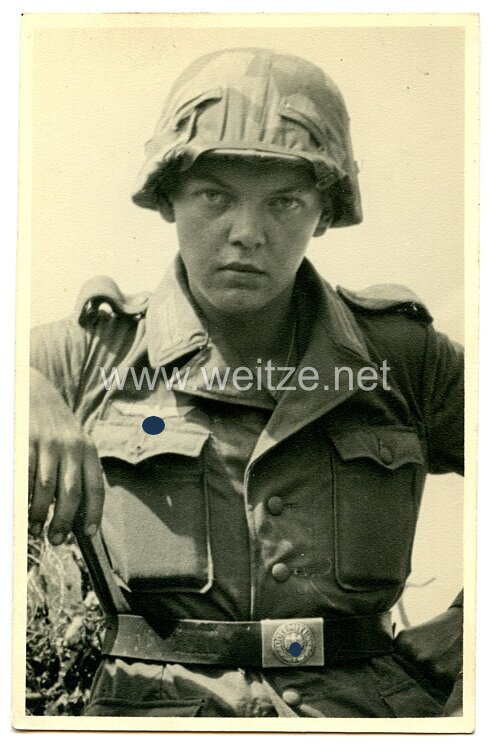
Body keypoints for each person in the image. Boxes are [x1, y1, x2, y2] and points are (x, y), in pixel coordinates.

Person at [29, 47, 464, 718]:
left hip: (364, 719)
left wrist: (474, 625)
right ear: (169, 199)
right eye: (215, 197)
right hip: (152, 716)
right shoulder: (88, 356)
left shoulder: (404, 357)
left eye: (284, 202)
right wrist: (21, 390)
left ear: (325, 212)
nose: (246, 234)